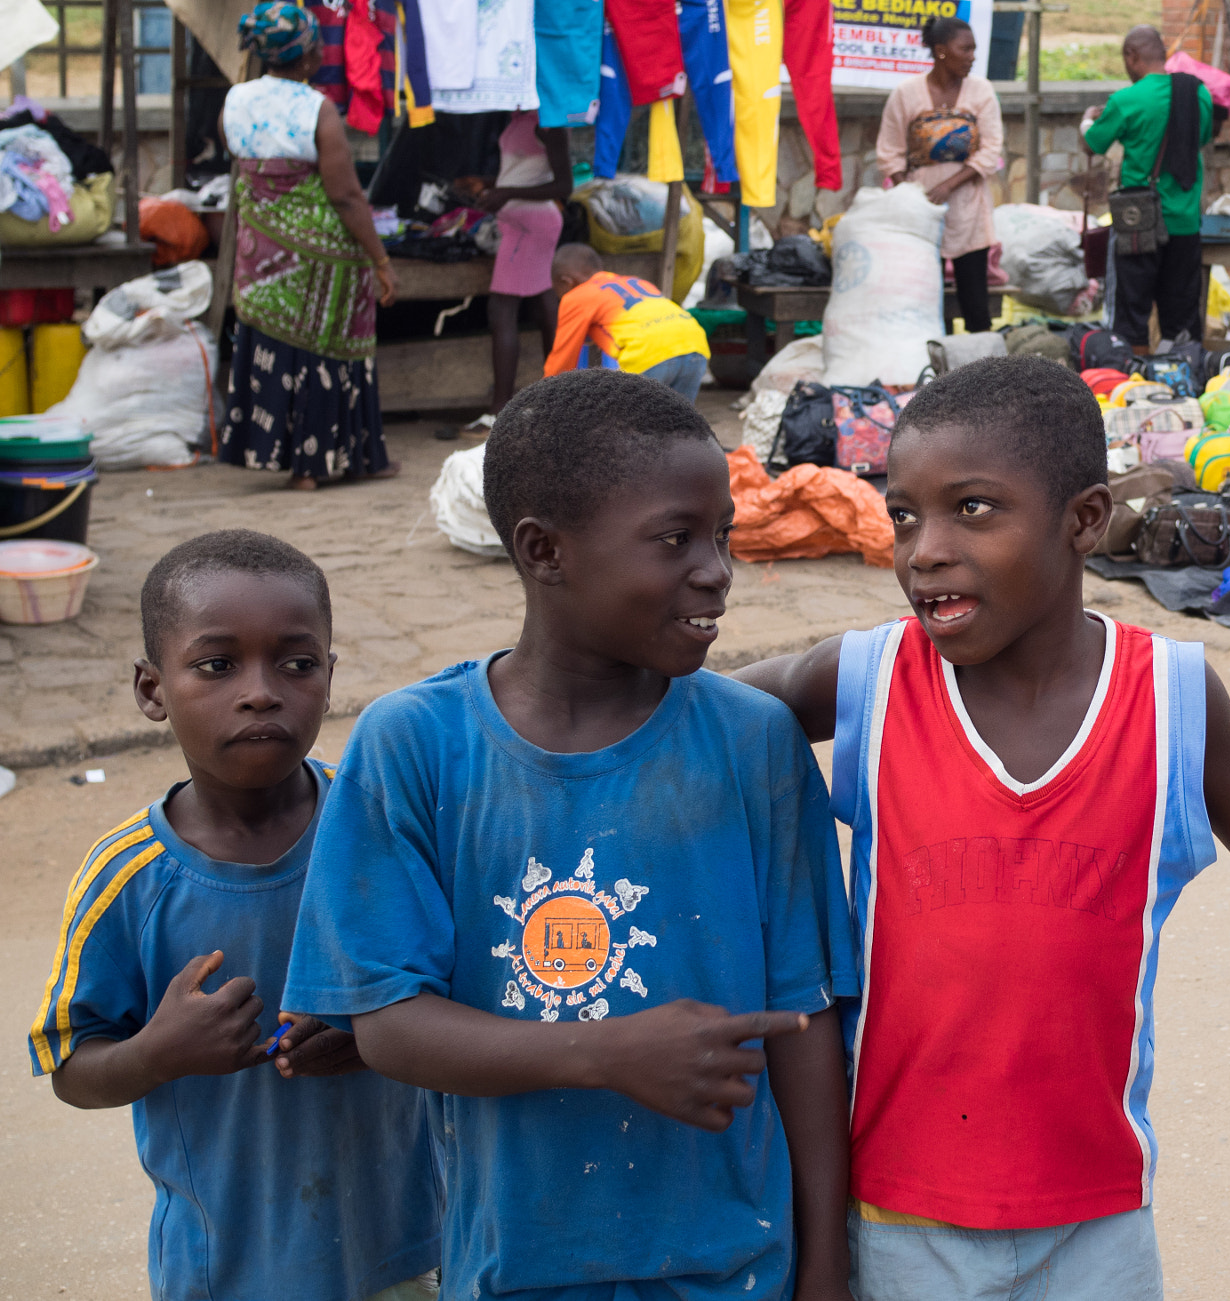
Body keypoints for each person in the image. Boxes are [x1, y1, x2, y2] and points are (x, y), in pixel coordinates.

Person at [734, 356, 1230, 1299]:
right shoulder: (868, 678)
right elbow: (703, 720)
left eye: (975, 509)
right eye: (906, 512)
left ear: (1084, 520)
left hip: (1099, 1221)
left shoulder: (1171, 700)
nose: (925, 549)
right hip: (897, 1215)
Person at [280, 369, 859, 1301]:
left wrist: (825, 1261)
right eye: (675, 539)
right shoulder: (417, 745)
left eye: (722, 535)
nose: (716, 569)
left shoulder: (754, 746)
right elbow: (385, 1022)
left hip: (735, 1268)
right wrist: (606, 1052)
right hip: (519, 1267)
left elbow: (804, 1019)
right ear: (544, 550)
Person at [27, 529, 442, 1301]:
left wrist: (377, 1033)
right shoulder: (128, 881)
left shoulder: (382, 824)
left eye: (297, 663)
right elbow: (72, 1069)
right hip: (229, 1268)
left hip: (411, 1245)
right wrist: (159, 1050)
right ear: (153, 690)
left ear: (329, 676)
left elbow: (457, 982)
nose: (261, 691)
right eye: (217, 665)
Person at [219, 1, 399, 490]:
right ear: (306, 56)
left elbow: (247, 169)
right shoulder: (315, 108)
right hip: (321, 258)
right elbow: (344, 195)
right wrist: (380, 260)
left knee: (276, 348)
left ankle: (280, 457)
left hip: (259, 251)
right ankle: (322, 464)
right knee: (326, 354)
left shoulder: (236, 99)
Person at [1081, 25, 1221, 351]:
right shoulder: (1197, 93)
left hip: (1137, 225)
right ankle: (1180, 380)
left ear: (1132, 56)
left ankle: (1131, 383)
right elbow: (1201, 139)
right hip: (1185, 222)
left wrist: (1088, 119)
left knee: (1130, 316)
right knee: (1182, 317)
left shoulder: (1126, 100)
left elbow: (1092, 145)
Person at [877, 15, 1005, 335]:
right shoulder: (906, 94)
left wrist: (949, 185)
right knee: (923, 297)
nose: (972, 57)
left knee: (975, 302)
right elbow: (889, 151)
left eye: (974, 49)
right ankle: (932, 371)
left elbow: (991, 150)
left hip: (969, 210)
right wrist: (911, 194)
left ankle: (982, 375)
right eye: (966, 49)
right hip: (921, 213)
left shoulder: (981, 91)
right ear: (941, 51)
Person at [458, 109, 574, 437]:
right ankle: (562, 397)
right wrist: (491, 185)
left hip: (532, 226)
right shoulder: (517, 117)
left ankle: (500, 410)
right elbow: (525, 175)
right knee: (542, 304)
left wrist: (505, 193)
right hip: (519, 224)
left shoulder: (549, 122)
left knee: (503, 308)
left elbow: (564, 185)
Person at [543, 243, 713, 405]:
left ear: (566, 281)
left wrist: (542, 397)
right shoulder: (636, 282)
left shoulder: (577, 296)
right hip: (695, 346)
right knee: (679, 426)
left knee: (630, 428)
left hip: (649, 354)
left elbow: (562, 359)